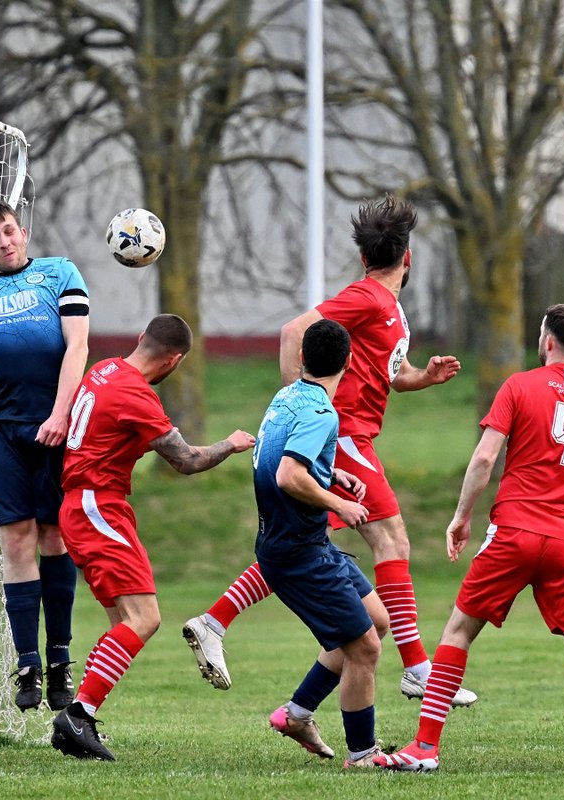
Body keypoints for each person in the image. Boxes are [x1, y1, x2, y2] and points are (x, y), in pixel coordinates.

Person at [184, 195, 476, 707]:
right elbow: (294, 331)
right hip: (341, 436)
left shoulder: (389, 310)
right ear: (408, 258)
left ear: (366, 256)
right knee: (393, 541)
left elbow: (391, 376)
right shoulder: (365, 298)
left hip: (353, 436)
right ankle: (417, 670)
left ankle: (218, 625)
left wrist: (423, 378)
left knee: (300, 550)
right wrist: (297, 409)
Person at [375, 304, 564, 775]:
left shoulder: (519, 386)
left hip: (514, 533)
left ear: (547, 341)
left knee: (459, 632)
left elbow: (484, 460)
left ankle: (424, 748)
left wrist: (461, 517)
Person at [50, 314, 256, 761]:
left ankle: (79, 717)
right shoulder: (137, 395)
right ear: (175, 360)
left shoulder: (104, 369)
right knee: (144, 618)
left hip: (82, 504)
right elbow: (186, 460)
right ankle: (77, 715)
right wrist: (232, 443)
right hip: (96, 505)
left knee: (123, 621)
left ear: (142, 338)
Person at [0, 201, 88, 713]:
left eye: (8, 232)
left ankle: (59, 663)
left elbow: (77, 348)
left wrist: (59, 413)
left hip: (54, 426)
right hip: (1, 429)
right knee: (16, 538)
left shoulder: (59, 274)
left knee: (55, 535)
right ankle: (27, 665)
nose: (4, 242)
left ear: (22, 232)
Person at [255, 319, 389, 768]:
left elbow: (282, 457)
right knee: (364, 648)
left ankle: (296, 714)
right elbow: (287, 475)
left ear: (302, 359)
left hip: (303, 543)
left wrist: (331, 472)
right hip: (299, 553)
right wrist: (340, 503)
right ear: (348, 362)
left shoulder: (288, 395)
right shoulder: (321, 413)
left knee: (375, 621)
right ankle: (363, 754)